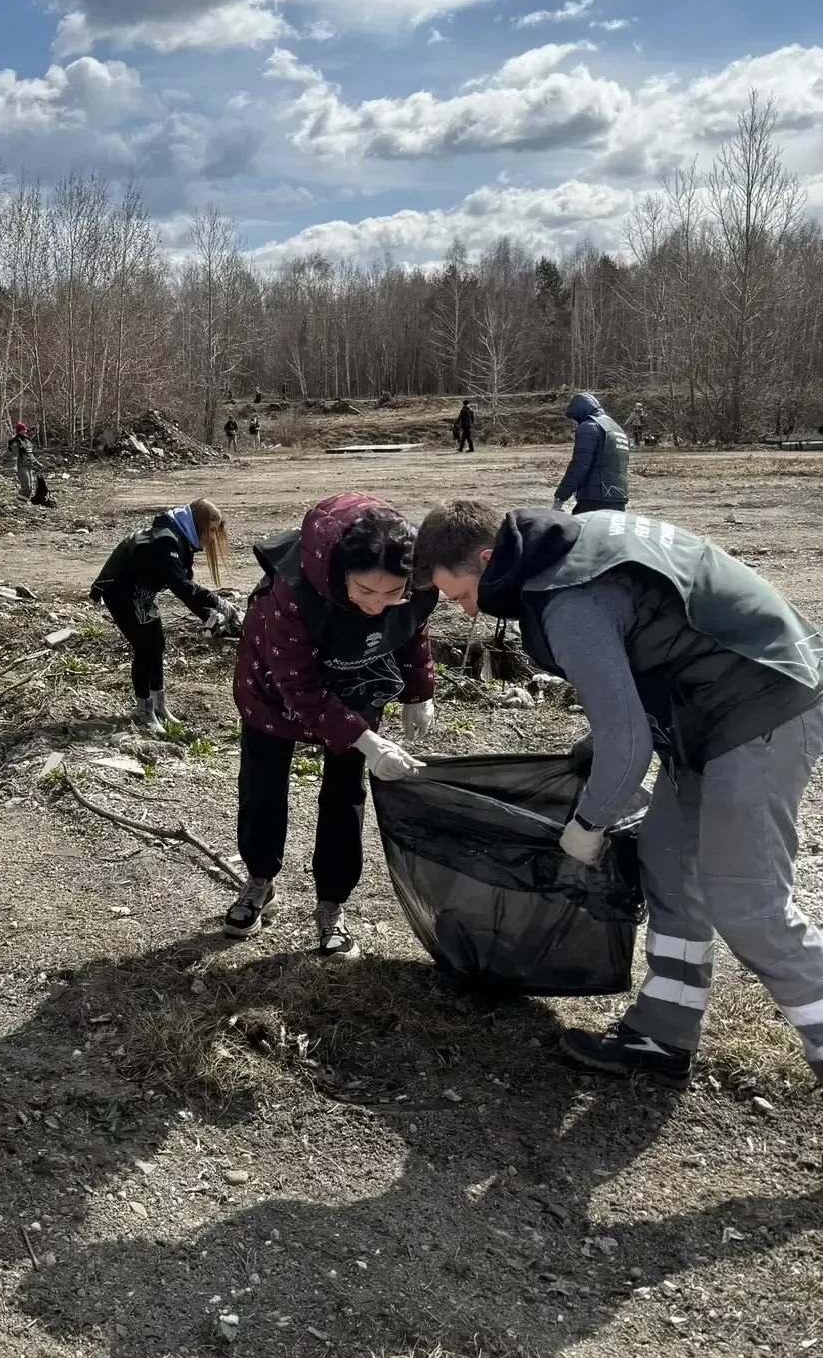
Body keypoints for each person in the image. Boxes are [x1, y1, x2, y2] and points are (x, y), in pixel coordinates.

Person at [415, 498, 823, 1087]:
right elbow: (648, 651)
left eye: (461, 596)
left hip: (763, 707)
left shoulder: (568, 601)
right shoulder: (566, 543)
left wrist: (588, 826)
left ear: (485, 558)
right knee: (667, 860)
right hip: (711, 708)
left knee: (747, 902)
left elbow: (628, 745)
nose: (470, 611)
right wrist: (596, 745)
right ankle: (663, 1032)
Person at [227, 494, 436, 957]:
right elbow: (297, 685)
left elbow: (411, 629)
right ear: (341, 573)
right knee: (262, 787)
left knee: (345, 794)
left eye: (392, 593)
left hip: (356, 678)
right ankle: (260, 879)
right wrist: (367, 741)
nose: (377, 606)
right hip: (274, 687)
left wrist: (419, 692)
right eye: (365, 591)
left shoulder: (416, 584)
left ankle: (332, 902)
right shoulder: (293, 594)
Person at [90, 499, 239, 735]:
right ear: (198, 524)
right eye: (211, 530)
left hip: (141, 594)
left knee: (157, 644)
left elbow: (185, 588)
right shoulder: (166, 541)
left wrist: (210, 615)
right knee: (145, 647)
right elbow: (182, 587)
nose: (212, 538)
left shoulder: (178, 540)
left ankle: (158, 706)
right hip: (120, 592)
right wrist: (217, 603)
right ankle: (143, 711)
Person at [555, 392, 629, 513]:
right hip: (619, 497)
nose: (574, 424)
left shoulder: (589, 427)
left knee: (581, 525)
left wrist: (560, 496)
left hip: (595, 497)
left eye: (574, 420)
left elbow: (579, 465)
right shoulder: (616, 429)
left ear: (579, 412)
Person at [8, 421, 40, 502]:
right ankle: (19, 501)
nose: (26, 431)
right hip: (21, 466)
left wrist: (37, 463)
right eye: (24, 430)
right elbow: (15, 455)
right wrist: (14, 467)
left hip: (29, 465)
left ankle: (25, 501)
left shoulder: (27, 441)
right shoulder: (16, 442)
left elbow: (31, 454)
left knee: (31, 485)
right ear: (19, 431)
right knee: (26, 485)